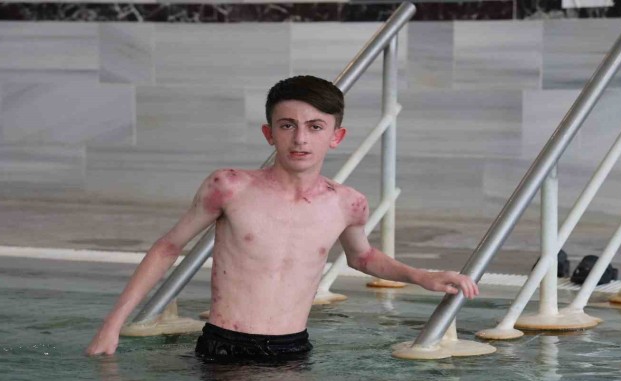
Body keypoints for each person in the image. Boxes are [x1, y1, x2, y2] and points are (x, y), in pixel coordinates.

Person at [86, 75, 478, 359]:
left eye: (315, 127)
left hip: (293, 347)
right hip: (225, 344)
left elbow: (363, 257)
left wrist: (422, 276)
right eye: (287, 125)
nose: (300, 139)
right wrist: (112, 325)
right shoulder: (230, 187)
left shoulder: (347, 203)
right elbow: (168, 247)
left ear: (336, 136)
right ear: (269, 133)